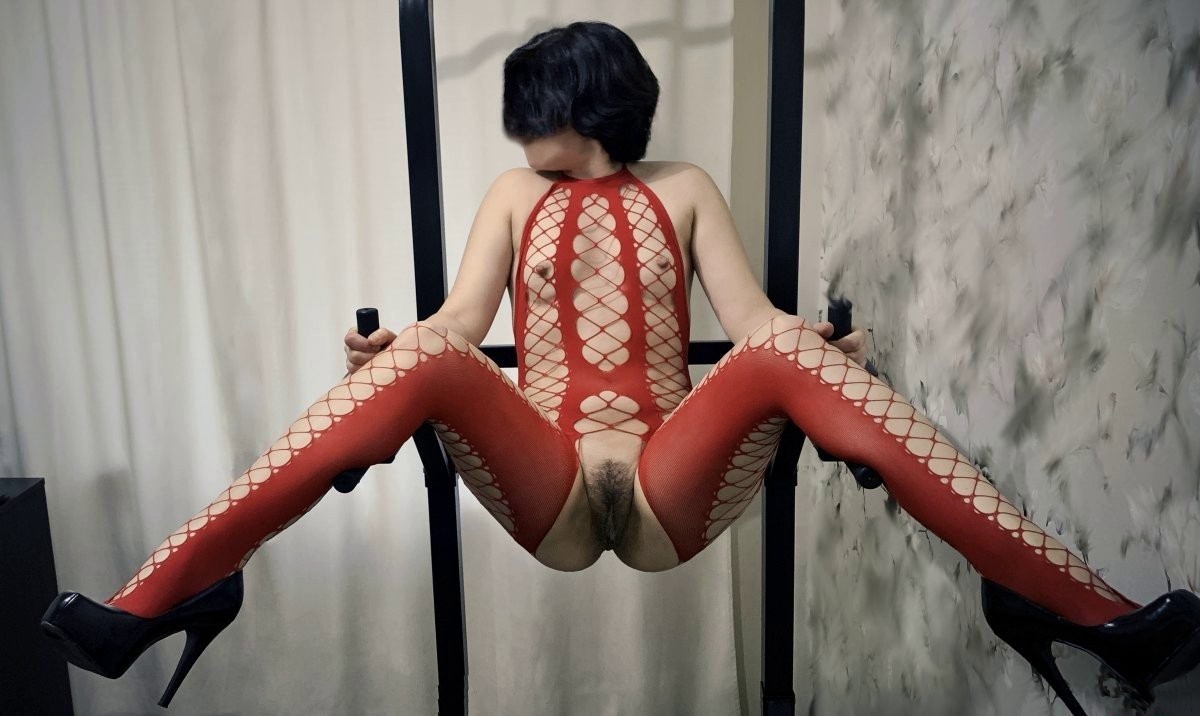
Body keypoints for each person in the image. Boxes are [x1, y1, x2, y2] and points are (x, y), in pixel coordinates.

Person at [42, 21, 1200, 714]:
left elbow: (751, 319)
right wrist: (389, 357)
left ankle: (1080, 605)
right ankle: (168, 590)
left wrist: (816, 357)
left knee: (780, 346)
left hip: (661, 490)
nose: (517, 129)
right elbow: (460, 320)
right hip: (547, 487)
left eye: (531, 108)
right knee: (429, 353)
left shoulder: (685, 187)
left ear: (582, 104)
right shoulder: (513, 195)